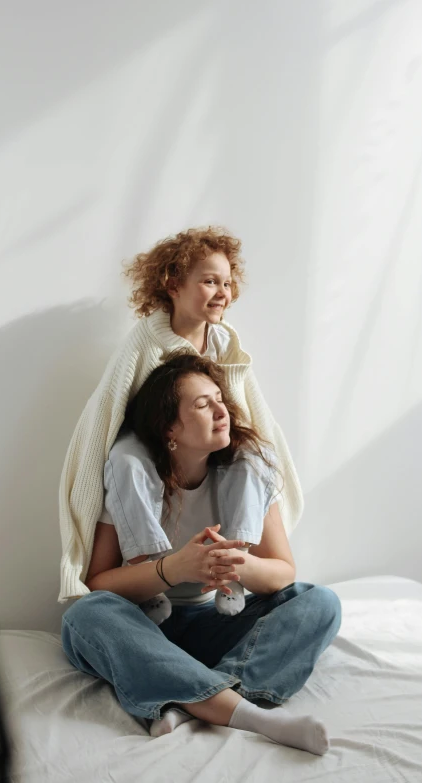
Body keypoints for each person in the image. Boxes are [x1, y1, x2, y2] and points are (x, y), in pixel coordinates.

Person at [61, 354, 342, 756]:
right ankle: (253, 716)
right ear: (169, 428)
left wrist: (236, 563)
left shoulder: (248, 470)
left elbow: (282, 573)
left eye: (219, 399)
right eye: (201, 404)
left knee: (320, 602)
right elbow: (98, 583)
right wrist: (172, 569)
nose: (220, 410)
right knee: (84, 617)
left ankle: (191, 703)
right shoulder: (131, 476)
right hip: (146, 628)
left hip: (214, 623)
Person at [58, 227, 303, 615]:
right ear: (172, 284)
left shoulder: (223, 340)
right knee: (126, 459)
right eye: (209, 281)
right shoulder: (147, 341)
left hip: (201, 433)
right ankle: (150, 573)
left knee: (254, 457)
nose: (222, 291)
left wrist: (258, 449)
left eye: (226, 282)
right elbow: (108, 407)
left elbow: (246, 402)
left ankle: (230, 566)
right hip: (153, 434)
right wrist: (93, 473)